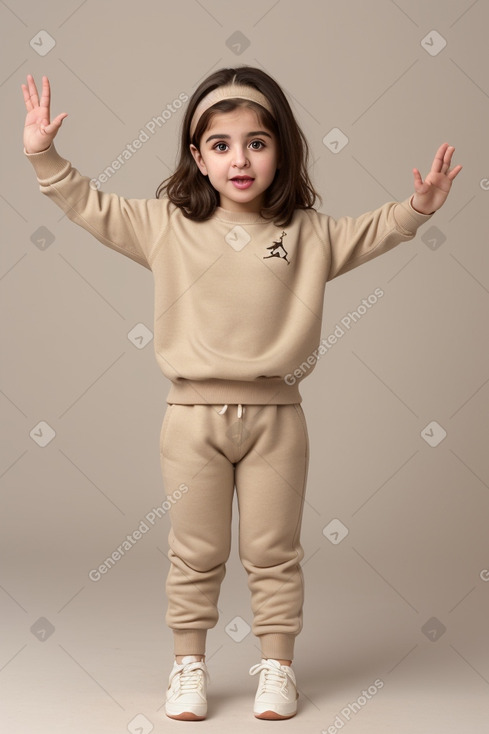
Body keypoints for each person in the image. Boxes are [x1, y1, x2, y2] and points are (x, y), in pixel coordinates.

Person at [21, 67, 462, 722]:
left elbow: (375, 230)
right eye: (220, 144)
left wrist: (419, 206)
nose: (240, 158)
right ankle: (188, 666)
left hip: (277, 421)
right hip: (190, 419)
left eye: (257, 142)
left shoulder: (306, 234)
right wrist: (43, 154)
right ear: (196, 156)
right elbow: (90, 205)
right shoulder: (164, 225)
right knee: (194, 551)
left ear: (281, 149)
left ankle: (277, 670)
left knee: (273, 552)